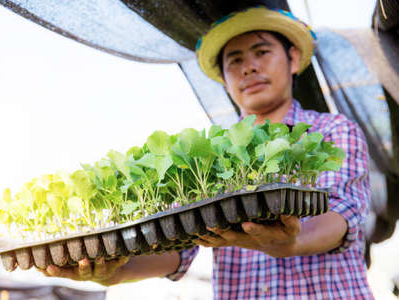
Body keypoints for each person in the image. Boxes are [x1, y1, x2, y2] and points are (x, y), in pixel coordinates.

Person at [40, 6, 373, 299]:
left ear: (294, 59)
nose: (249, 68)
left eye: (262, 52)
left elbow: (343, 217)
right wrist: (112, 270)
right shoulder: (209, 156)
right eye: (235, 61)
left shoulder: (332, 131)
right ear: (224, 80)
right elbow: (177, 250)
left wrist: (290, 242)